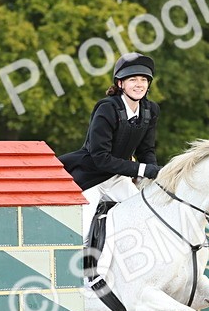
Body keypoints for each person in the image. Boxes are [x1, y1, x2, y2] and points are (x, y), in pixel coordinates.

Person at [60, 53, 162, 236]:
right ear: (120, 84)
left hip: (117, 178)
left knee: (147, 218)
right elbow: (101, 158)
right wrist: (143, 170)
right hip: (90, 178)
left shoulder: (150, 110)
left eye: (144, 80)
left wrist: (154, 173)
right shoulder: (106, 108)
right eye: (133, 79)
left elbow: (146, 150)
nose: (139, 84)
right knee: (80, 235)